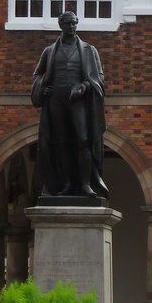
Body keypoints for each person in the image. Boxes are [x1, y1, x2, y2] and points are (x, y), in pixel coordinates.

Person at [31, 10, 108, 200]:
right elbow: (37, 75)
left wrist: (85, 86)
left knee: (83, 139)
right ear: (61, 25)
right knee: (61, 142)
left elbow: (99, 76)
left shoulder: (89, 50)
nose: (71, 27)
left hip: (78, 101)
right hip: (56, 100)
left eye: (74, 23)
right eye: (68, 24)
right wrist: (42, 88)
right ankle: (65, 184)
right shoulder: (49, 51)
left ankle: (85, 184)